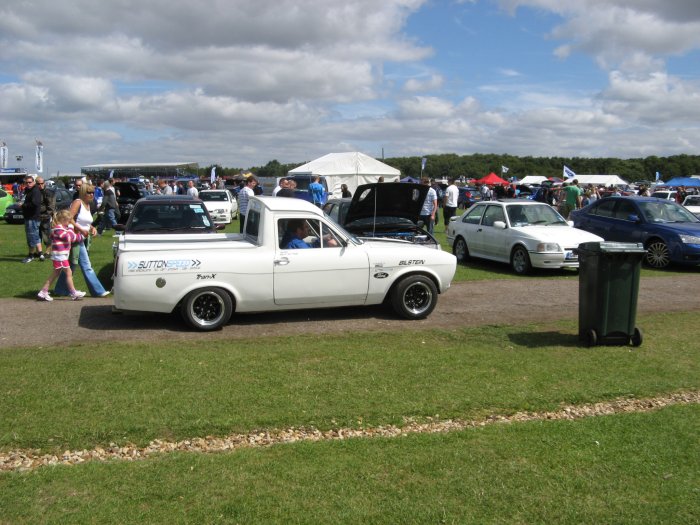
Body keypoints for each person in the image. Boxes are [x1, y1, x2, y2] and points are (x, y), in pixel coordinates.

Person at [54, 184, 110, 298]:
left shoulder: (88, 205)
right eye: (89, 192)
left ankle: (60, 289)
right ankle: (98, 291)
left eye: (93, 192)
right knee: (86, 265)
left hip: (81, 238)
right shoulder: (77, 202)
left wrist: (92, 228)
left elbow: (86, 222)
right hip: (75, 238)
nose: (91, 194)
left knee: (72, 265)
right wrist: (80, 229)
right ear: (83, 192)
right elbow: (69, 218)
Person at [36, 210, 87, 301]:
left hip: (60, 255)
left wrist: (82, 236)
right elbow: (69, 237)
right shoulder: (59, 230)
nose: (69, 223)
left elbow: (73, 238)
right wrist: (72, 227)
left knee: (55, 273)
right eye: (68, 221)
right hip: (60, 256)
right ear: (63, 220)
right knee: (68, 273)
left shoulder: (61, 229)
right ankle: (73, 292)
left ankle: (43, 292)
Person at [21, 176, 45, 263]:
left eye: (30, 182)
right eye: (26, 182)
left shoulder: (35, 191)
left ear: (33, 182)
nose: (28, 184)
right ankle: (41, 254)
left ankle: (30, 255)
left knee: (31, 237)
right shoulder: (29, 191)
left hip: (32, 217)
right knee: (35, 236)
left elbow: (34, 204)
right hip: (32, 217)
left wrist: (23, 205)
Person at [37, 177, 55, 258]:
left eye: (42, 183)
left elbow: (51, 206)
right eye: (38, 184)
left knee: (46, 235)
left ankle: (48, 252)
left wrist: (47, 215)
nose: (40, 185)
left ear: (44, 183)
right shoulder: (36, 192)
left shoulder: (48, 192)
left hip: (45, 217)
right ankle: (39, 252)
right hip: (36, 217)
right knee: (37, 235)